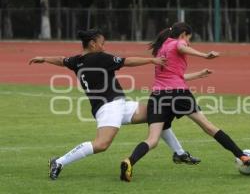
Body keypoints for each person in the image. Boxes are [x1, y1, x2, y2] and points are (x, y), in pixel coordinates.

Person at [29, 29, 212, 180]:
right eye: (102, 43)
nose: (103, 46)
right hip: (108, 108)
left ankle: (179, 153)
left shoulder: (77, 60)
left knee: (157, 112)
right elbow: (127, 61)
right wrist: (151, 60)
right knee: (101, 144)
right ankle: (59, 161)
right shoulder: (99, 57)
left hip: (120, 105)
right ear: (93, 44)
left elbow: (61, 60)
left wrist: (44, 58)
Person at [120, 22, 250, 182]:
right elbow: (181, 48)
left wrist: (199, 74)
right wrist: (204, 56)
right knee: (209, 127)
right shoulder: (177, 42)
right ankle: (242, 156)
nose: (188, 42)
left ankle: (129, 161)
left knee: (152, 140)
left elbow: (173, 75)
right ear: (183, 35)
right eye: (189, 39)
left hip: (158, 96)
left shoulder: (161, 48)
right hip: (179, 94)